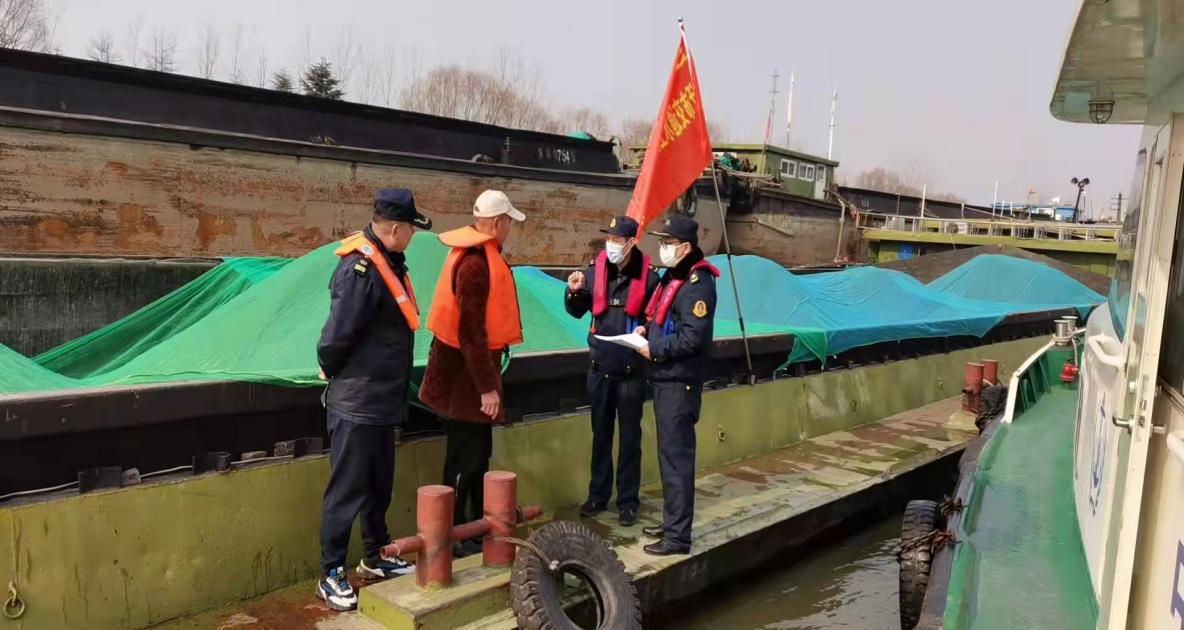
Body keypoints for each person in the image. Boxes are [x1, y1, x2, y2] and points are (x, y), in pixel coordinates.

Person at [315, 188, 432, 611]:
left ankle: (375, 555)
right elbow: (336, 336)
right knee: (346, 489)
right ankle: (330, 572)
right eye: (412, 229)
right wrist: (329, 367)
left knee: (379, 483)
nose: (414, 236)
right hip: (357, 401)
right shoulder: (360, 270)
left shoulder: (390, 264)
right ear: (397, 229)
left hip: (382, 399)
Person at [419, 189, 525, 554]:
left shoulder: (472, 257)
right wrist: (487, 389)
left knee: (477, 455)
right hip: (464, 384)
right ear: (497, 223)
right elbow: (471, 335)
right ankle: (452, 536)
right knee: (464, 458)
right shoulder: (477, 266)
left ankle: (473, 530)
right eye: (508, 221)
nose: (510, 228)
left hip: (466, 379)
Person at [564, 215, 659, 526]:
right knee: (600, 435)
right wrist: (574, 292)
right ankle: (597, 496)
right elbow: (578, 311)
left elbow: (657, 320)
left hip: (632, 372)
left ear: (631, 243)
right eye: (610, 239)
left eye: (618, 240)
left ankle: (628, 501)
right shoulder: (594, 272)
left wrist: (647, 333)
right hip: (600, 369)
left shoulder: (650, 279)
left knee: (630, 438)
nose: (612, 244)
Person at [634, 215, 718, 556]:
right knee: (668, 457)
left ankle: (678, 538)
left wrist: (653, 348)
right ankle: (672, 523)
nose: (662, 249)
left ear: (685, 247)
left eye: (668, 244)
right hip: (665, 379)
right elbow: (663, 319)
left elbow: (691, 339)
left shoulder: (698, 284)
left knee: (677, 461)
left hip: (679, 382)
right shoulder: (675, 276)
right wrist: (645, 332)